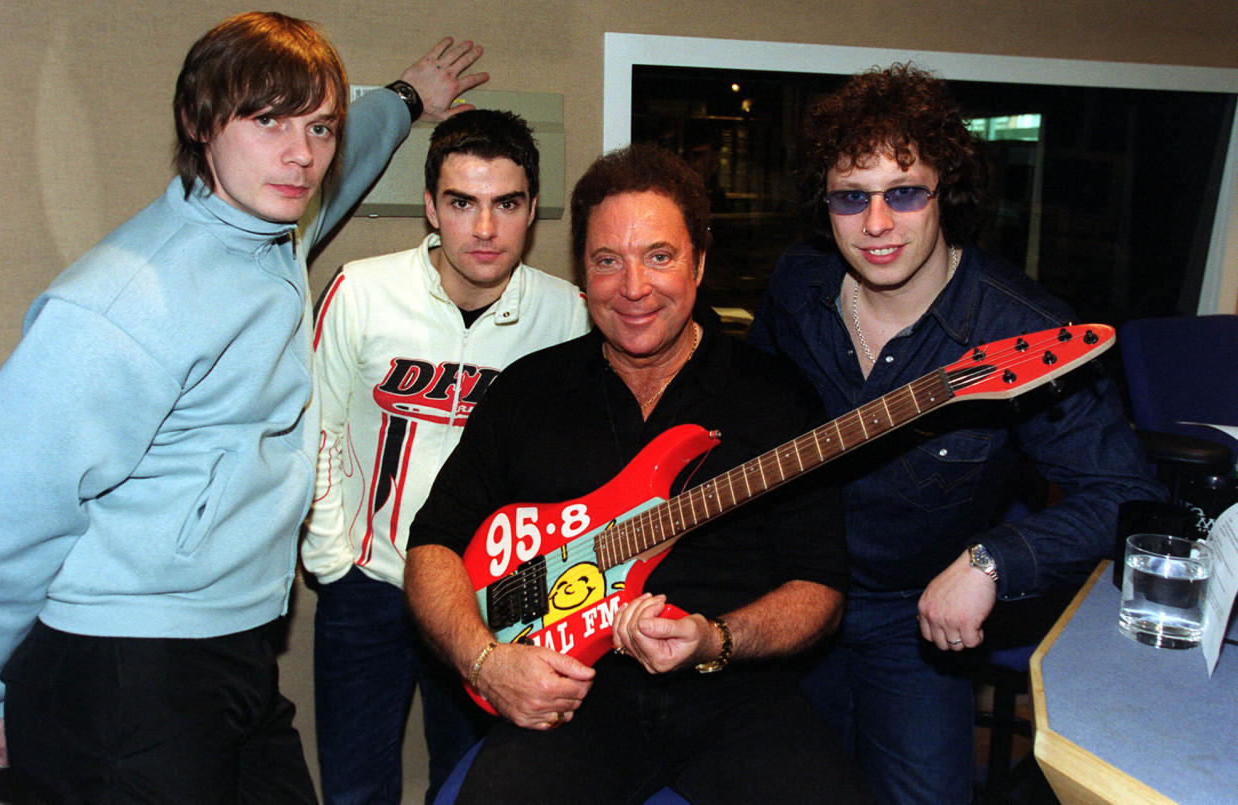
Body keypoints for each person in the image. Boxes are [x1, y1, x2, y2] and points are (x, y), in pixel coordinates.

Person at [0, 11, 487, 802]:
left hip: (239, 650)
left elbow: (351, 151)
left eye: (317, 126)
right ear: (199, 121)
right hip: (125, 661)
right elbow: (5, 503)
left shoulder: (274, 230)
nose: (301, 154)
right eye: (266, 121)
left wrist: (404, 98)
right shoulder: (117, 304)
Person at [402, 144, 872, 804]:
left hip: (736, 695)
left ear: (699, 263)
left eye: (659, 255)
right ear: (582, 271)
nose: (633, 287)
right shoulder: (529, 392)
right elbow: (432, 544)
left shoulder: (775, 395)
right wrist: (488, 659)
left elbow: (820, 588)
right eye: (606, 260)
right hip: (576, 696)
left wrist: (717, 637)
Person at [746, 63, 1165, 804]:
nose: (877, 224)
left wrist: (994, 560)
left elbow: (1125, 492)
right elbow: (751, 411)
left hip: (909, 619)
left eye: (904, 193)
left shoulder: (1027, 330)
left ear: (947, 193)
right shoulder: (797, 286)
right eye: (852, 197)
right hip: (787, 590)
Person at [303, 109, 590, 805]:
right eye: (463, 203)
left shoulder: (570, 315)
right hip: (367, 586)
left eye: (506, 204)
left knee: (475, 789)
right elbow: (316, 426)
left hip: (494, 598)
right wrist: (333, 560)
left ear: (532, 211)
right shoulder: (363, 291)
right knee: (354, 790)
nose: (484, 229)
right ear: (432, 206)